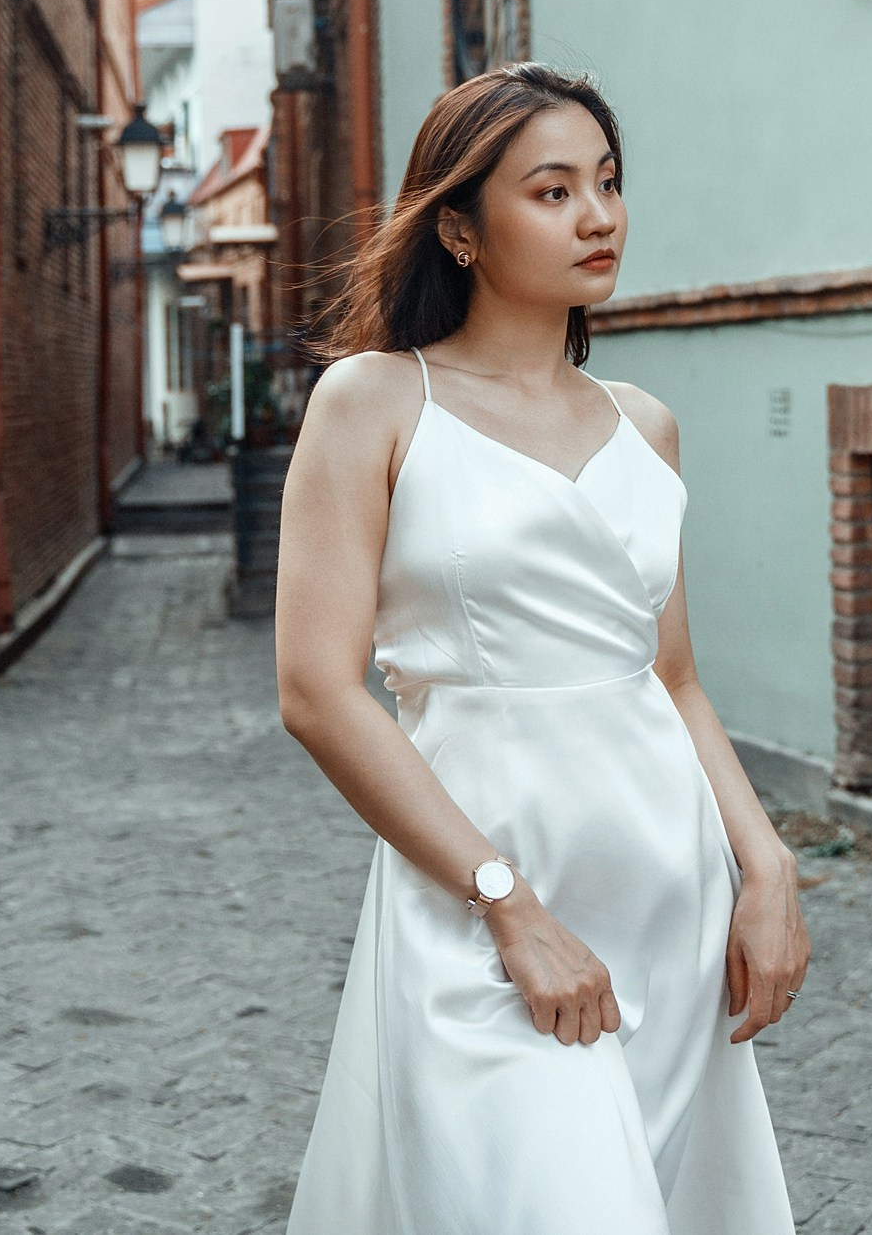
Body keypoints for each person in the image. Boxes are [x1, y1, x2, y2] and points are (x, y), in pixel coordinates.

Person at [275, 63, 807, 1232]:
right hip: (485, 897)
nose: (599, 215)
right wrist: (504, 900)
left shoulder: (645, 423)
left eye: (607, 183)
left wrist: (765, 866)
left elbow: (670, 677)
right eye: (553, 190)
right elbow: (318, 691)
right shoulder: (373, 400)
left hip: (669, 902)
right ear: (459, 227)